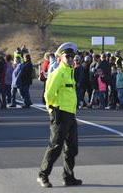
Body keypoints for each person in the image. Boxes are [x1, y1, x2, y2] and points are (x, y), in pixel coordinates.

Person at [38, 42, 82, 188]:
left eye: (72, 56)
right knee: (56, 146)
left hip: (70, 114)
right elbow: (48, 94)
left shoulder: (70, 72)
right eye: (67, 56)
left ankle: (68, 177)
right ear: (61, 57)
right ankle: (43, 175)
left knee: (71, 148)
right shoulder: (58, 73)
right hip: (60, 113)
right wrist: (52, 110)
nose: (70, 59)